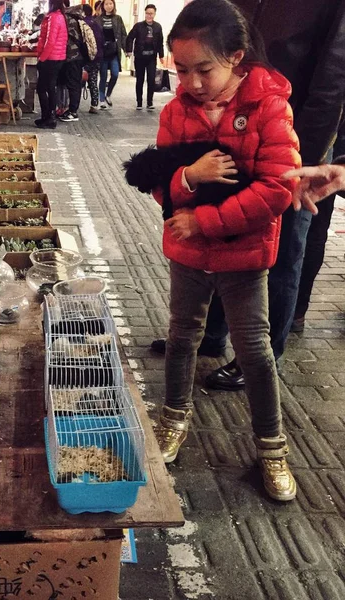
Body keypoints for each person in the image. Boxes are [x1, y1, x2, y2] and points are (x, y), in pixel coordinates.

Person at [150, 0, 345, 392]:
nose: (191, 79)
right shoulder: (185, 101)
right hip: (229, 125)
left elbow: (332, 80)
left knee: (284, 251)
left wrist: (298, 161)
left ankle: (260, 352)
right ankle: (212, 331)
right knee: (220, 239)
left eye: (200, 70)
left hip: (289, 140)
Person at [152, 0, 300, 501]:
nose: (192, 83)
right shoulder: (176, 112)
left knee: (255, 350)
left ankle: (272, 448)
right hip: (188, 251)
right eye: (182, 70)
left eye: (204, 70)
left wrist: (206, 220)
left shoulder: (270, 106)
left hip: (243, 254)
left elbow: (279, 188)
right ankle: (173, 418)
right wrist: (188, 179)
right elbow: (157, 182)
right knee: (182, 336)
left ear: (236, 57)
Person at [290, 120, 345, 331]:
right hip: (325, 150)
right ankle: (295, 312)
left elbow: (327, 101)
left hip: (320, 143)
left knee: (311, 232)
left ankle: (295, 311)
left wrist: (311, 155)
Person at [35, 0, 68, 129]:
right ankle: (48, 117)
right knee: (49, 87)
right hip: (57, 57)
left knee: (43, 88)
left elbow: (50, 41)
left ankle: (48, 117)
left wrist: (42, 59)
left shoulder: (54, 18)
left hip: (51, 58)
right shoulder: (60, 16)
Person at [126, 4, 164, 110]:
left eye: (151, 13)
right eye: (147, 13)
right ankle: (139, 102)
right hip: (140, 57)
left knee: (151, 79)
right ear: (145, 13)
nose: (149, 15)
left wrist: (161, 55)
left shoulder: (158, 27)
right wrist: (129, 50)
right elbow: (130, 38)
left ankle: (150, 102)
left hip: (152, 57)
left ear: (155, 14)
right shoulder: (138, 26)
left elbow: (160, 42)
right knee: (140, 80)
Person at [58, 4, 87, 122]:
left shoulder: (67, 18)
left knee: (73, 84)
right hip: (77, 56)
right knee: (73, 83)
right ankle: (69, 110)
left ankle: (73, 112)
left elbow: (65, 38)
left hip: (72, 56)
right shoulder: (76, 17)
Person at [95, 0, 126, 110]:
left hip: (114, 52)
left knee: (115, 74)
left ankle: (108, 94)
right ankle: (102, 100)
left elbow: (123, 34)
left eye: (111, 4)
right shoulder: (98, 19)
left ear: (114, 5)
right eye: (106, 4)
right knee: (103, 76)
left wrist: (126, 49)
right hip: (103, 53)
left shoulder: (118, 18)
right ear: (103, 6)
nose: (109, 6)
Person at [82, 4, 103, 115]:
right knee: (93, 81)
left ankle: (72, 106)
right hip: (96, 57)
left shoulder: (83, 24)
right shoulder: (96, 24)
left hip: (84, 57)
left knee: (76, 82)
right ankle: (94, 104)